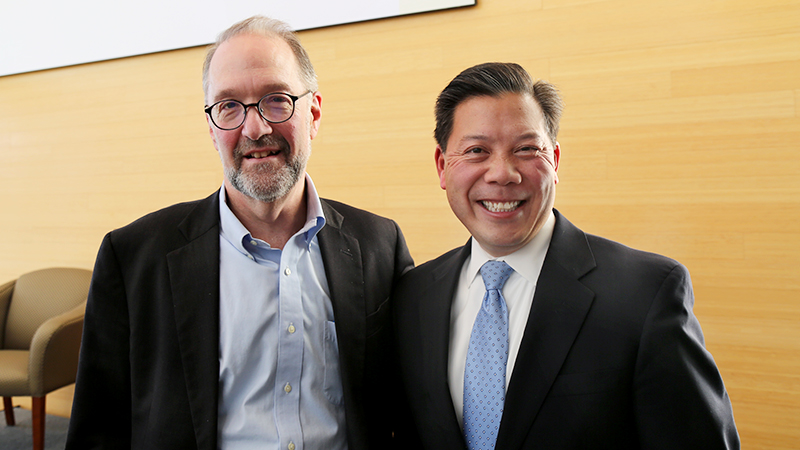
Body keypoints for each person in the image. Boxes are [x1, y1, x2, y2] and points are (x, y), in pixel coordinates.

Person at [66, 16, 413, 450]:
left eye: (277, 100)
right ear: (212, 128)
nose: (255, 128)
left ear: (314, 114)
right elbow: (98, 431)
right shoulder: (133, 257)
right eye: (229, 106)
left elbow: (406, 409)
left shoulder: (379, 245)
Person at [392, 62, 739, 449]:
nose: (502, 173)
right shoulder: (413, 295)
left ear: (554, 160)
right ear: (443, 166)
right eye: (477, 151)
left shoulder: (646, 294)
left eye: (526, 149)